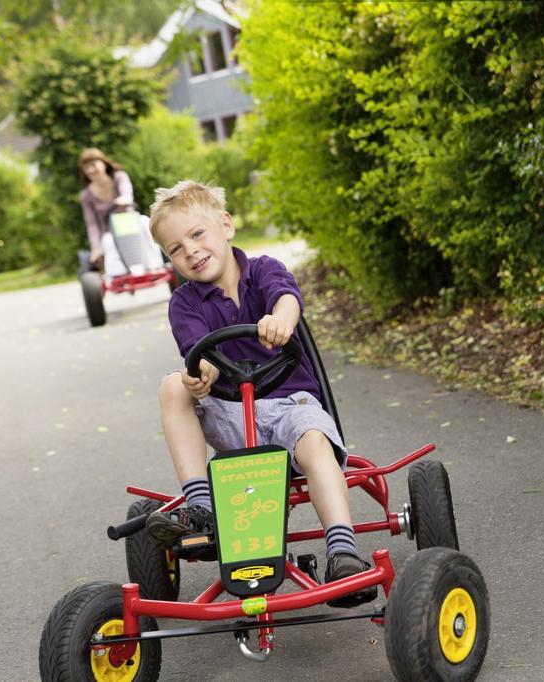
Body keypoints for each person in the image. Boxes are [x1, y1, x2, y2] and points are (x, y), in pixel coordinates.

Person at [143, 180, 376, 608]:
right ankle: (202, 509)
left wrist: (281, 320)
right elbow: (197, 353)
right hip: (231, 414)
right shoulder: (184, 304)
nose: (190, 251)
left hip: (292, 407)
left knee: (315, 445)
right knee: (173, 384)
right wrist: (201, 374)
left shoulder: (264, 270)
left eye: (197, 235)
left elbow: (287, 298)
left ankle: (342, 551)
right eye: (176, 249)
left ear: (226, 226)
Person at [77, 148, 163, 277]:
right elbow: (92, 224)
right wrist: (95, 248)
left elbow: (126, 193)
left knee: (145, 222)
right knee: (107, 241)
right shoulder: (86, 196)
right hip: (110, 231)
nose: (90, 170)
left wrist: (124, 199)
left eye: (93, 165)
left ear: (103, 163)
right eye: (86, 167)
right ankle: (118, 274)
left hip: (131, 223)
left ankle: (155, 265)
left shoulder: (119, 177)